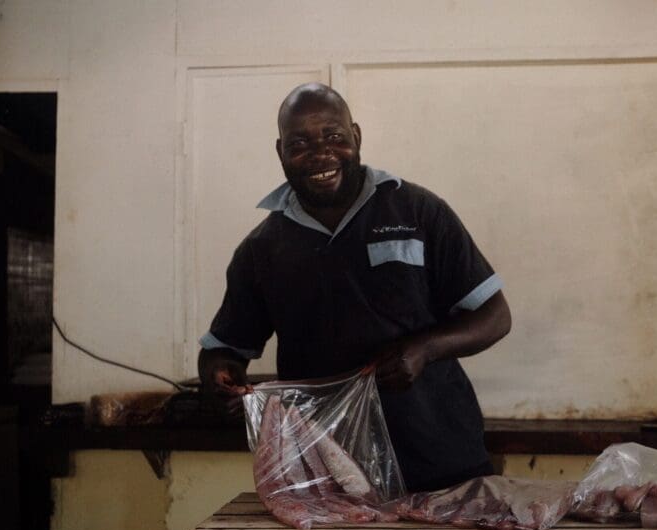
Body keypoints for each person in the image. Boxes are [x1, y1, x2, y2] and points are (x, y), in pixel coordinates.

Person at [197, 83, 511, 492]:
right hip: (329, 471)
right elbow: (223, 350)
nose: (320, 153)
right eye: (300, 143)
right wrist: (220, 375)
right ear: (280, 153)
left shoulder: (417, 211)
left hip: (440, 458)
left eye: (334, 137)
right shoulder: (262, 248)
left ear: (356, 137)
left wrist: (425, 348)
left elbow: (495, 316)